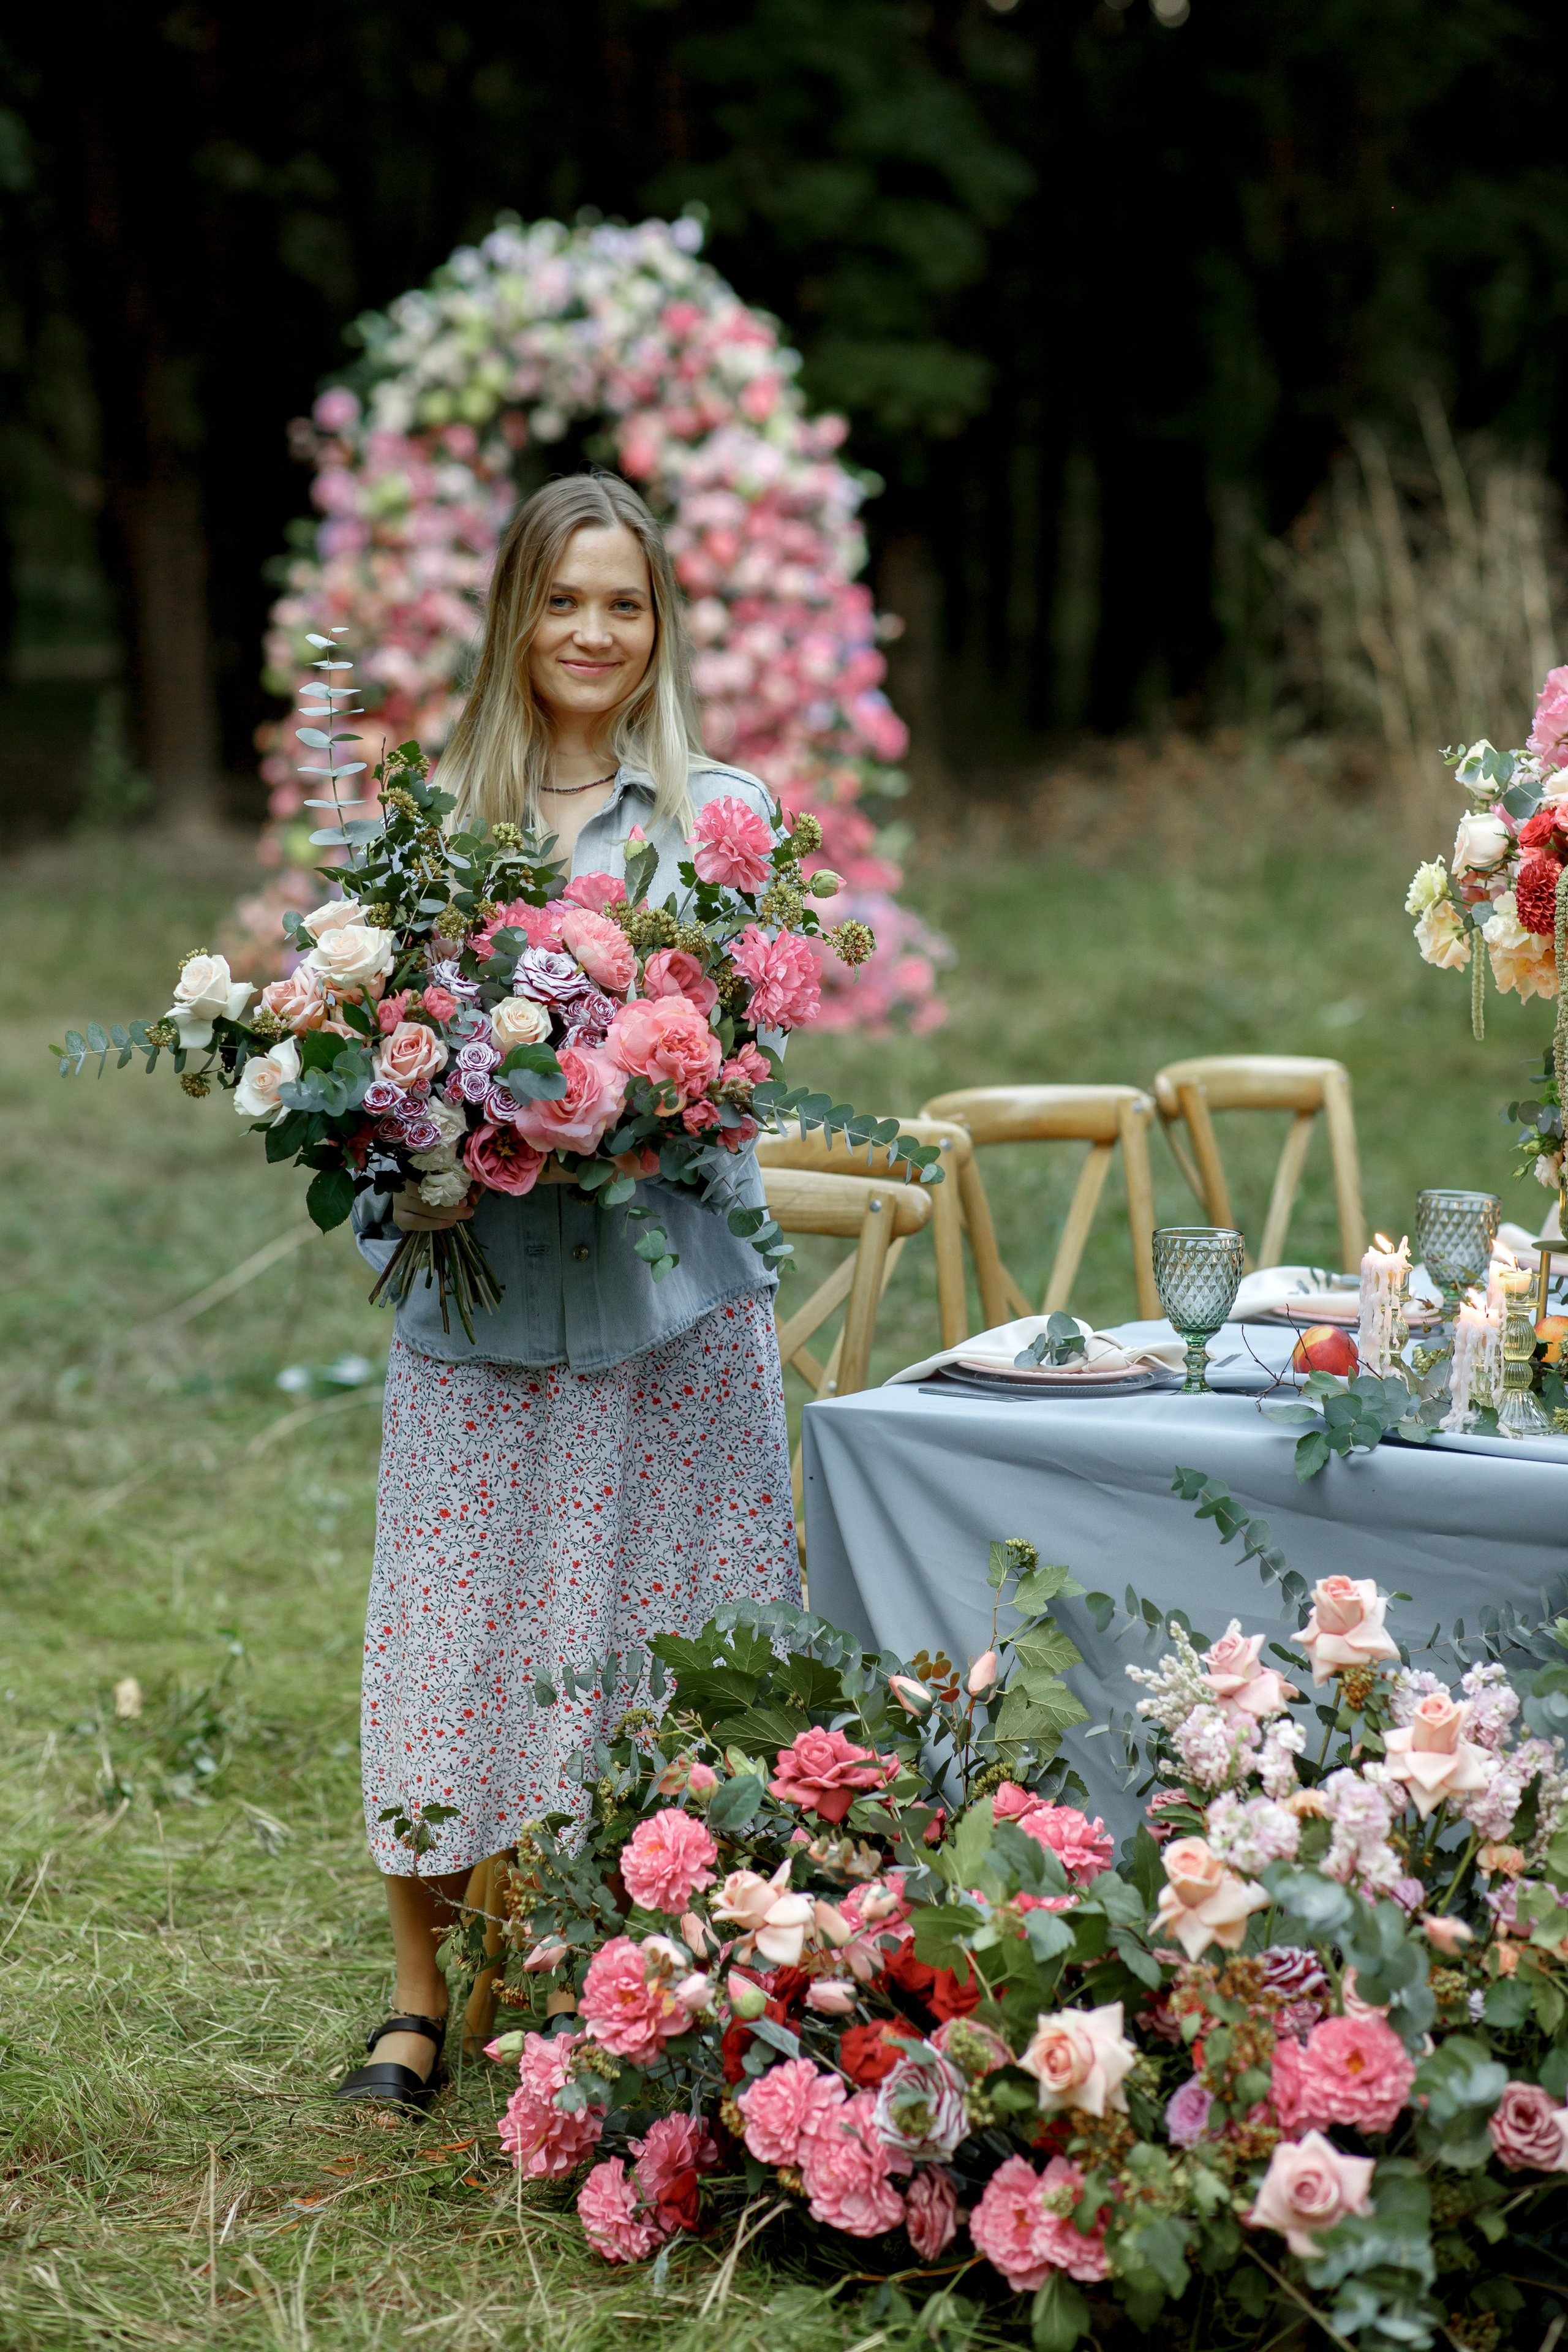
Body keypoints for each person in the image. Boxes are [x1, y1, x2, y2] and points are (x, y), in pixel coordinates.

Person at [335, 472, 799, 2112]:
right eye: (563, 599)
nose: (594, 631)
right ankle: (414, 1997)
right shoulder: (425, 823)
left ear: (659, 622)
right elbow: (355, 1070)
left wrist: (656, 1089)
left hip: (670, 1305)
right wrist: (414, 1129)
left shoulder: (716, 815)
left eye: (625, 601)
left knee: (661, 1645)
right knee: (448, 1632)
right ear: (514, 617)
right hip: (479, 1298)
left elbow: (753, 1057)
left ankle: (644, 1971)